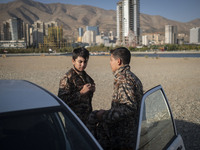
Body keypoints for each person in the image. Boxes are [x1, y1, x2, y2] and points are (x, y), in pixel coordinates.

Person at [87, 47, 143, 149]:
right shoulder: (132, 77)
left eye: (111, 60)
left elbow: (129, 107)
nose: (109, 63)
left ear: (119, 61)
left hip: (124, 135)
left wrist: (103, 115)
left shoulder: (123, 79)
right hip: (131, 130)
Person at [58, 47, 95, 125]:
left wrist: (91, 90)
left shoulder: (88, 78)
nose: (83, 65)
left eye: (85, 62)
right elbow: (62, 100)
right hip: (73, 121)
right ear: (73, 61)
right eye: (80, 62)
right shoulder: (67, 78)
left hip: (87, 119)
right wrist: (81, 93)